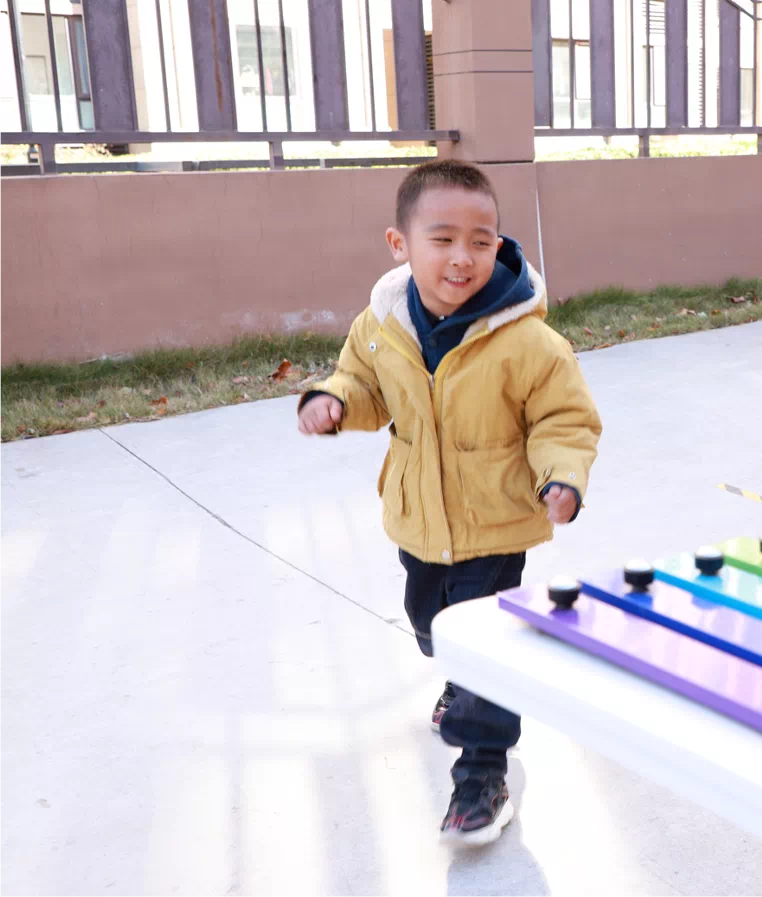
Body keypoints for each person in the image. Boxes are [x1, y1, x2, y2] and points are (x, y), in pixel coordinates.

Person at [297, 159, 602, 845]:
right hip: (418, 520)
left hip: (497, 523)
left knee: (484, 645)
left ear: (498, 244)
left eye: (481, 241)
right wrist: (334, 400)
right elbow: (363, 385)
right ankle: (460, 676)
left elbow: (564, 420)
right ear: (399, 244)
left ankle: (482, 774)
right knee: (429, 622)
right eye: (442, 239)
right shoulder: (380, 326)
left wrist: (562, 476)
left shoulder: (530, 341)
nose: (463, 257)